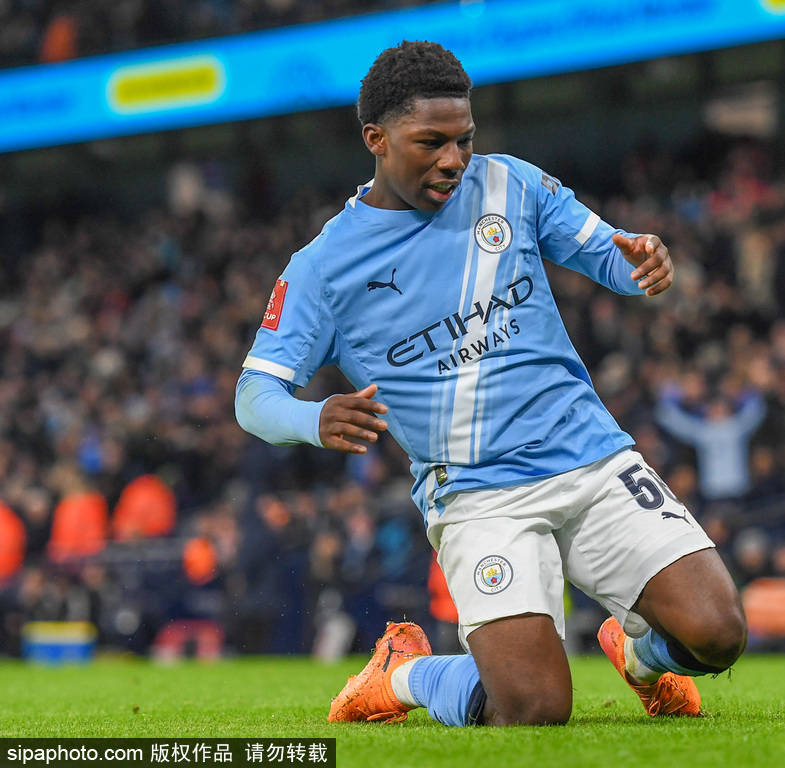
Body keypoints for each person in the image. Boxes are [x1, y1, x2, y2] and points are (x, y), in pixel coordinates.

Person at [235, 41, 746, 727]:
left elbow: (610, 254)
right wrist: (312, 417)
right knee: (533, 710)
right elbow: (253, 397)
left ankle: (639, 656)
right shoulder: (322, 268)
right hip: (478, 494)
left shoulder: (510, 184)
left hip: (590, 457)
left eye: (464, 140)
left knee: (718, 633)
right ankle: (403, 673)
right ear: (376, 139)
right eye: (431, 143)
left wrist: (642, 260)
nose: (454, 159)